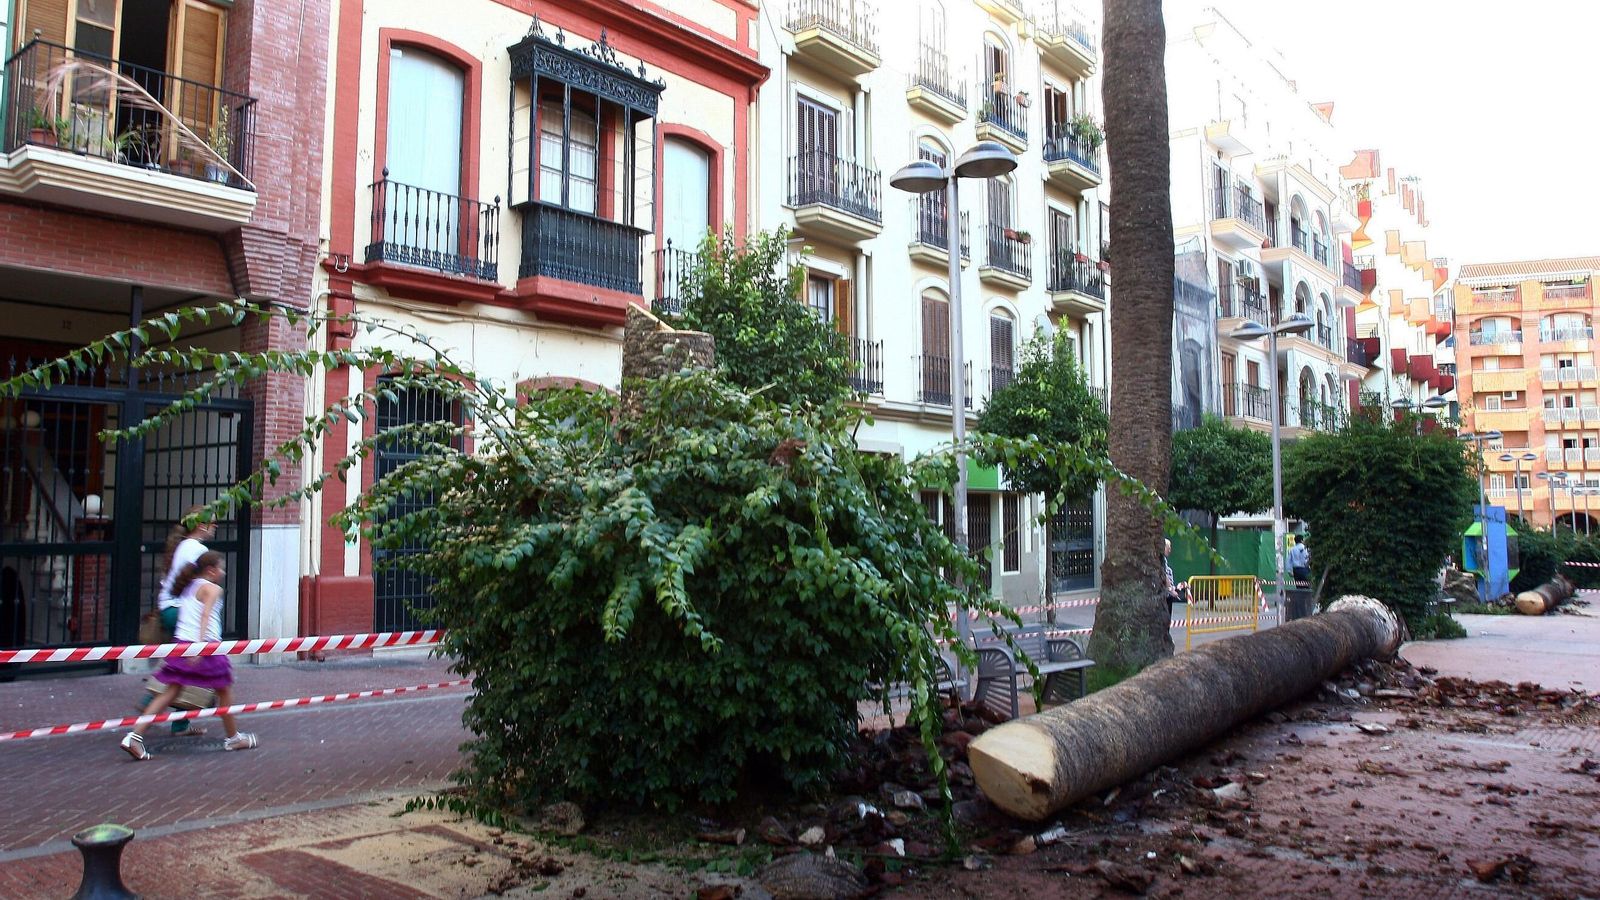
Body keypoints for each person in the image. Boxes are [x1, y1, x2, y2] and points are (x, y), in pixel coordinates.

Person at [121, 551, 258, 760]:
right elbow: (205, 615)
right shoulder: (213, 589)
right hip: (206, 647)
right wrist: (201, 645)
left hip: (182, 644)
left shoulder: (189, 586)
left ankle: (134, 736)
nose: (223, 572)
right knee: (224, 689)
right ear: (211, 571)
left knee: (171, 691)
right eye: (220, 568)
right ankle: (233, 738)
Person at [135, 512, 216, 735]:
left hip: (170, 608)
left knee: (184, 666)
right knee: (185, 665)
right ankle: (151, 699)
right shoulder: (199, 551)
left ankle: (181, 722)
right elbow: (201, 585)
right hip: (181, 611)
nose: (216, 526)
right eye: (213, 522)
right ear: (201, 525)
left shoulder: (183, 546)